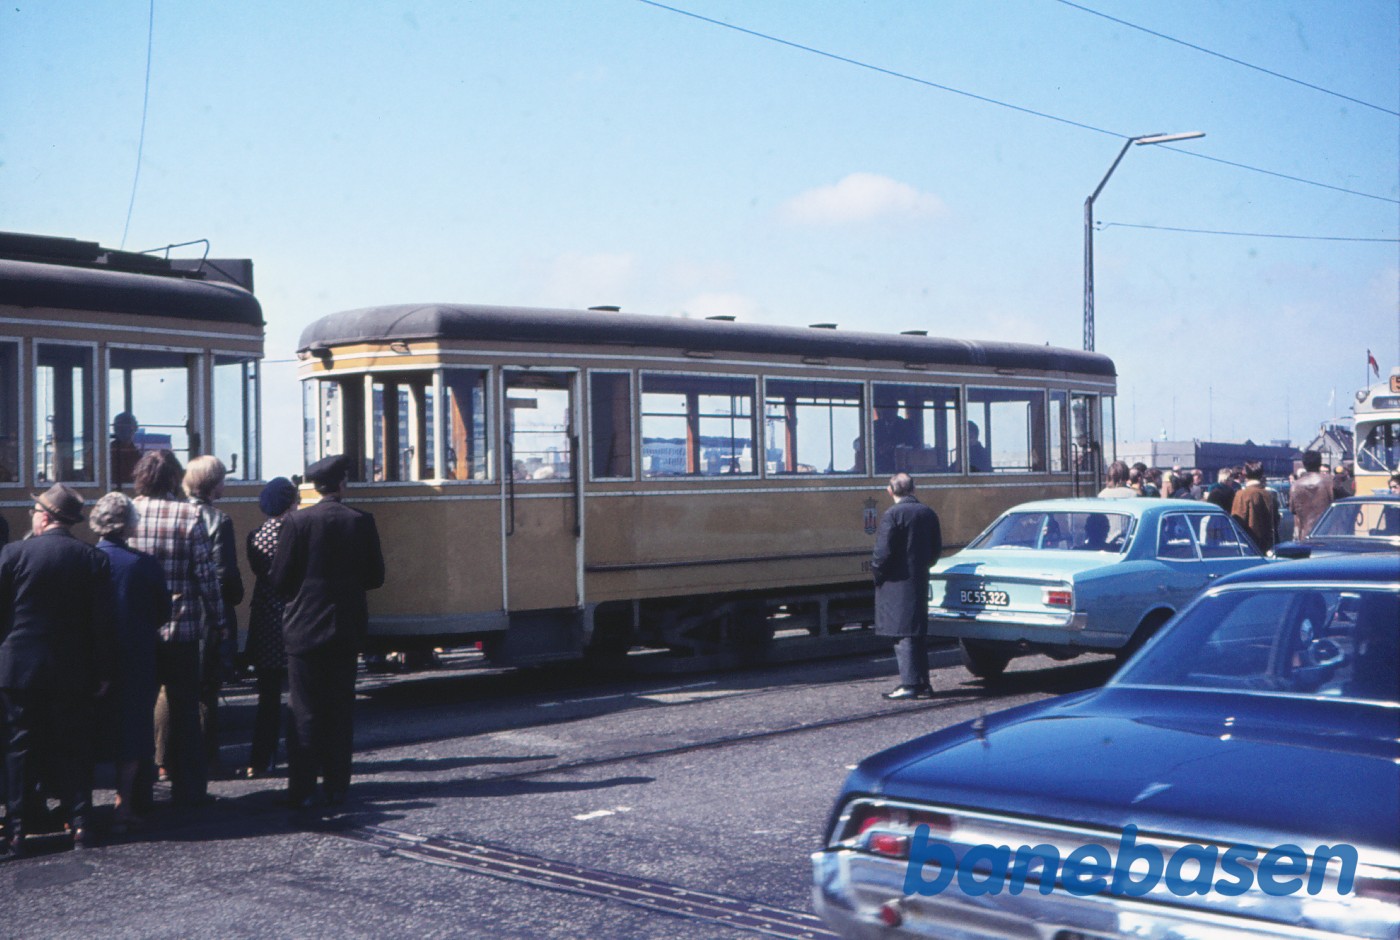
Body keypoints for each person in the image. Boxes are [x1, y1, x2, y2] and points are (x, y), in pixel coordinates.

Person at [0, 484, 113, 855]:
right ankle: (80, 823)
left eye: (35, 511)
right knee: (73, 744)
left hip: (19, 668)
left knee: (20, 746)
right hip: (72, 668)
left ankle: (15, 830)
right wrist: (101, 670)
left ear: (45, 516)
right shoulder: (93, 559)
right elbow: (102, 624)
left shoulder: (13, 554)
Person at [270, 454, 384, 812]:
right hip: (346, 626)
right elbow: (375, 577)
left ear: (314, 486)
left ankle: (302, 789)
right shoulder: (361, 522)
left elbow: (279, 579)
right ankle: (337, 786)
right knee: (340, 708)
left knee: (304, 709)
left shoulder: (298, 523)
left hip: (303, 627)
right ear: (342, 484)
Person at [127, 450, 221, 807]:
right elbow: (206, 575)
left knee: (140, 710)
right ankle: (190, 790)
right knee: (185, 711)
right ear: (173, 479)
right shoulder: (188, 514)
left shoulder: (128, 513)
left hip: (140, 631)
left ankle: (138, 793)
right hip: (181, 628)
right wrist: (220, 622)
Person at [89, 492, 169, 833]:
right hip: (136, 657)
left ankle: (78, 809)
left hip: (92, 659)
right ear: (129, 523)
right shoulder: (144, 564)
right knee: (133, 733)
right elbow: (163, 612)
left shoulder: (87, 559)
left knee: (88, 733)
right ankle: (124, 804)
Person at [182, 455, 244, 777]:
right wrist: (233, 602)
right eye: (222, 478)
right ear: (212, 483)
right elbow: (225, 576)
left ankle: (167, 761)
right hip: (208, 614)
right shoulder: (219, 520)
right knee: (208, 689)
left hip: (178, 611)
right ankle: (207, 760)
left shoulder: (176, 514)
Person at [242, 477, 299, 779]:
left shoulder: (255, 537)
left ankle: (259, 759)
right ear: (291, 503)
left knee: (267, 697)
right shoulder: (296, 535)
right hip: (292, 618)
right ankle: (297, 755)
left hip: (264, 620)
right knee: (297, 695)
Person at [870, 473, 942, 700]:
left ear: (890, 491)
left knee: (902, 635)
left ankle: (910, 684)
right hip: (918, 579)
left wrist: (878, 574)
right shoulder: (927, 512)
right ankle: (923, 683)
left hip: (895, 582)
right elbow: (935, 550)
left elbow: (882, 553)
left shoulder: (892, 514)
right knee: (916, 632)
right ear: (914, 489)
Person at [1231, 460, 1280, 553]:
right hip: (1268, 545)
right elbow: (1276, 520)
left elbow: (1236, 522)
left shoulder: (1241, 494)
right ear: (1261, 475)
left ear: (1245, 475)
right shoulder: (1269, 495)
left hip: (1248, 545)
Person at [1289, 451, 1333, 541]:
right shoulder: (1331, 481)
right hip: (1329, 534)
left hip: (1306, 535)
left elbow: (1293, 510)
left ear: (1304, 464)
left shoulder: (1295, 486)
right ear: (1320, 463)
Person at [110, 412, 141, 487]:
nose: (129, 430)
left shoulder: (137, 454)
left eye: (131, 427)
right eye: (120, 427)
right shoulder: (107, 452)